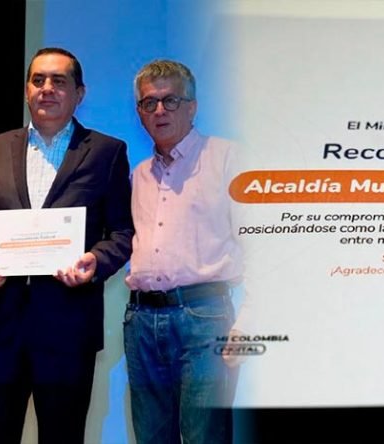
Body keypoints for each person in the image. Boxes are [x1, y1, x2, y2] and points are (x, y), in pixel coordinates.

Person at [0, 47, 133, 443]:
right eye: (38, 80)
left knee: (62, 435)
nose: (47, 88)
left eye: (59, 81)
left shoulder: (107, 152)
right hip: (1, 326)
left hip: (68, 328)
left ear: (79, 93)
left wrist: (96, 260)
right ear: (26, 90)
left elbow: (122, 231)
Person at [125, 59, 247, 443]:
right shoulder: (139, 175)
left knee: (203, 437)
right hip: (141, 322)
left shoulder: (228, 159)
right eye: (149, 103)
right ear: (140, 112)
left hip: (205, 319)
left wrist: (249, 322)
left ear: (192, 107)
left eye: (171, 100)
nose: (159, 110)